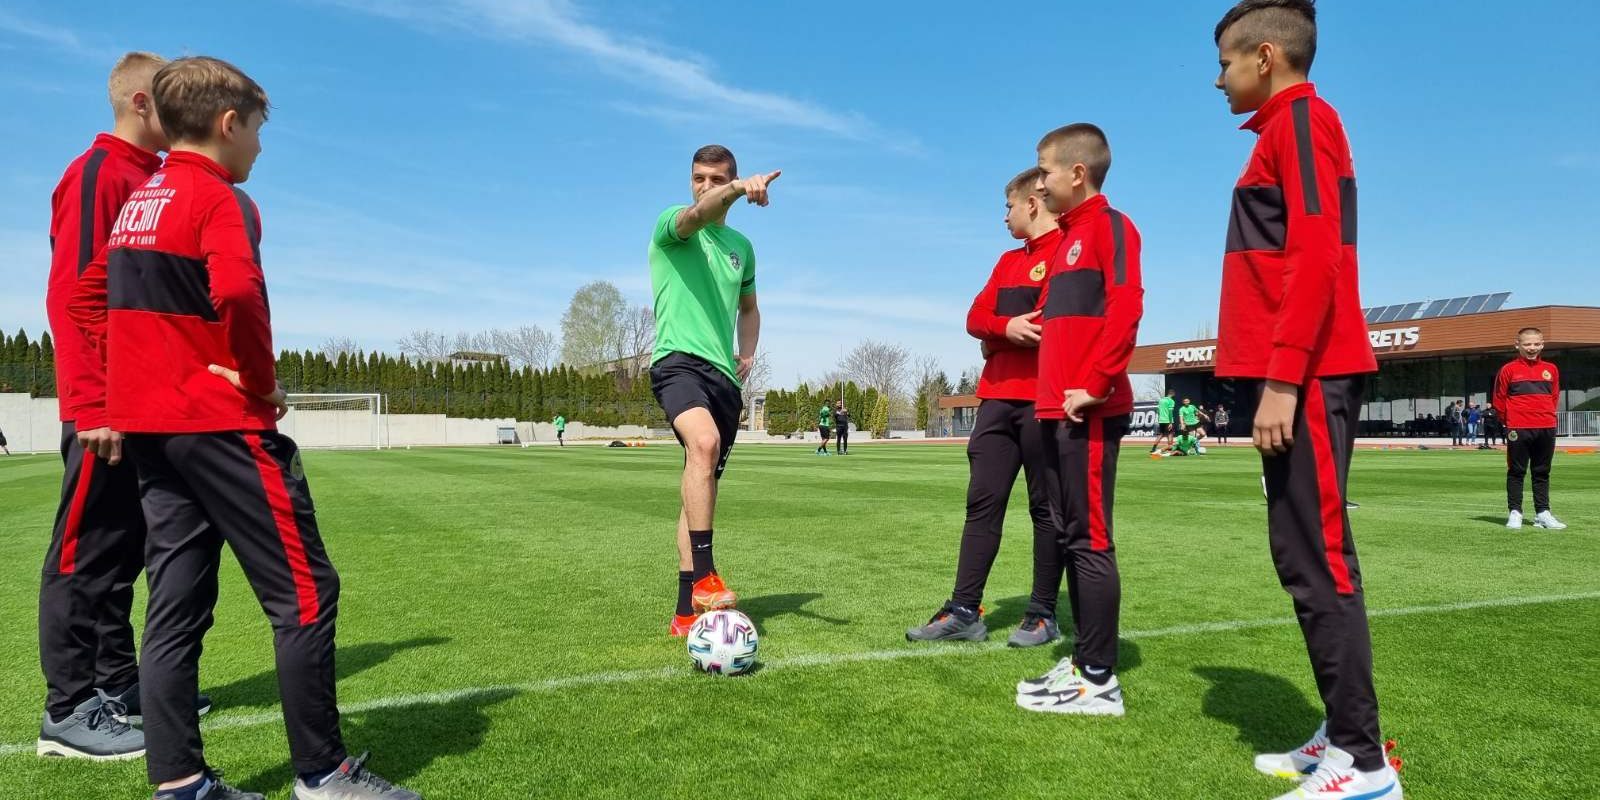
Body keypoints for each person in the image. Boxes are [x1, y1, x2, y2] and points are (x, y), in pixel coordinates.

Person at [69, 56, 417, 800]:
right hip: (221, 426)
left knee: (176, 605)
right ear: (229, 124)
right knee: (305, 593)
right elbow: (237, 291)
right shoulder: (214, 197)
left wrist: (123, 387)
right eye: (257, 130)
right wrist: (259, 383)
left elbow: (85, 297)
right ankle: (323, 774)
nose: (259, 146)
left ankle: (182, 784)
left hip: (155, 435)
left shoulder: (143, 199)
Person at [1211, 2, 1401, 798]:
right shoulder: (1284, 130)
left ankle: (1363, 764)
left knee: (1319, 558)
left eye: (1223, 62)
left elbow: (1319, 257)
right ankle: (1341, 730)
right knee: (1301, 556)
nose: (1218, 79)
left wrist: (1284, 377)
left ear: (1264, 57)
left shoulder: (1301, 122)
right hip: (1295, 373)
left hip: (1311, 375)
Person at [39, 51, 198, 763]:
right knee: (84, 551)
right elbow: (72, 293)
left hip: (142, 405)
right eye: (172, 101)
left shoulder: (156, 181)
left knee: (123, 552)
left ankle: (117, 687)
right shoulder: (99, 174)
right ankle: (67, 709)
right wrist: (94, 402)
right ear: (141, 102)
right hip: (102, 407)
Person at [1015, 123, 1143, 716]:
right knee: (1070, 533)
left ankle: (1099, 678)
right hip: (1053, 410)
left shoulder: (1112, 228)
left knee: (1090, 538)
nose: (1038, 181)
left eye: (1044, 170)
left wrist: (1093, 384)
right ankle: (1085, 661)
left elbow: (1127, 307)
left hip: (1088, 409)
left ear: (1076, 173)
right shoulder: (1069, 238)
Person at [907, 167, 1064, 648]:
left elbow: (1053, 321)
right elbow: (975, 317)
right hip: (996, 401)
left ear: (1032, 204)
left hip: (1046, 399)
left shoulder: (1068, 252)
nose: (1005, 217)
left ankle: (1041, 614)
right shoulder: (1007, 261)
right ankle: (963, 611)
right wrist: (1004, 331)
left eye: (1008, 207)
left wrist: (999, 337)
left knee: (1047, 510)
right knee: (982, 506)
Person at [646, 144, 775, 637]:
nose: (706, 185)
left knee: (699, 487)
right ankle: (705, 575)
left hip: (724, 378)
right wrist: (738, 190)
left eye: (717, 178)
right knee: (703, 444)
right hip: (677, 363)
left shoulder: (742, 247)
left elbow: (749, 308)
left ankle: (685, 612)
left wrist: (748, 353)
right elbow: (700, 213)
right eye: (699, 177)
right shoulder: (672, 227)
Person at [1494, 327, 1566, 530]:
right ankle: (1515, 512)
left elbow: (1554, 396)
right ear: (1517, 345)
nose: (1532, 348)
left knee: (1542, 471)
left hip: (1546, 426)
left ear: (1542, 344)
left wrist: (1547, 415)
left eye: (1536, 344)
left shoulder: (1551, 369)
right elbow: (1499, 399)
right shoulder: (1508, 370)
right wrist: (1509, 421)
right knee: (1517, 471)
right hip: (1519, 427)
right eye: (1527, 344)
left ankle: (1543, 513)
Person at [1152, 388, 1177, 454]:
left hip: (1161, 420)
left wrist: (1160, 418)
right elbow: (1170, 412)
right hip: (1168, 420)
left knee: (1160, 434)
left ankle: (1153, 448)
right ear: (1173, 394)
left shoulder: (1161, 400)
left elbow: (1158, 411)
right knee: (1170, 434)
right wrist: (1171, 422)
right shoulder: (1171, 401)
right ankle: (1170, 449)